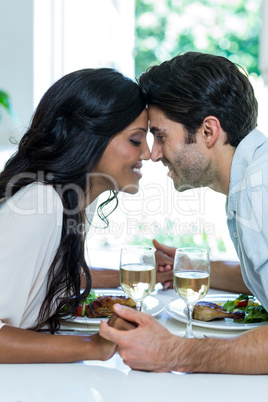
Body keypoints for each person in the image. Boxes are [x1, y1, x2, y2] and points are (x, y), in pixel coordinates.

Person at [99, 52, 268, 374]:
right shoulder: (253, 177)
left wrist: (173, 352)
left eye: (161, 135)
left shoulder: (260, 193)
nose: (153, 153)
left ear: (208, 131)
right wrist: (194, 269)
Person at [0, 67, 173, 363]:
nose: (147, 153)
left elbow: (47, 279)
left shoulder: (71, 200)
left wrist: (132, 277)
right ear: (88, 138)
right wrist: (95, 346)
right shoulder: (40, 204)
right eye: (135, 140)